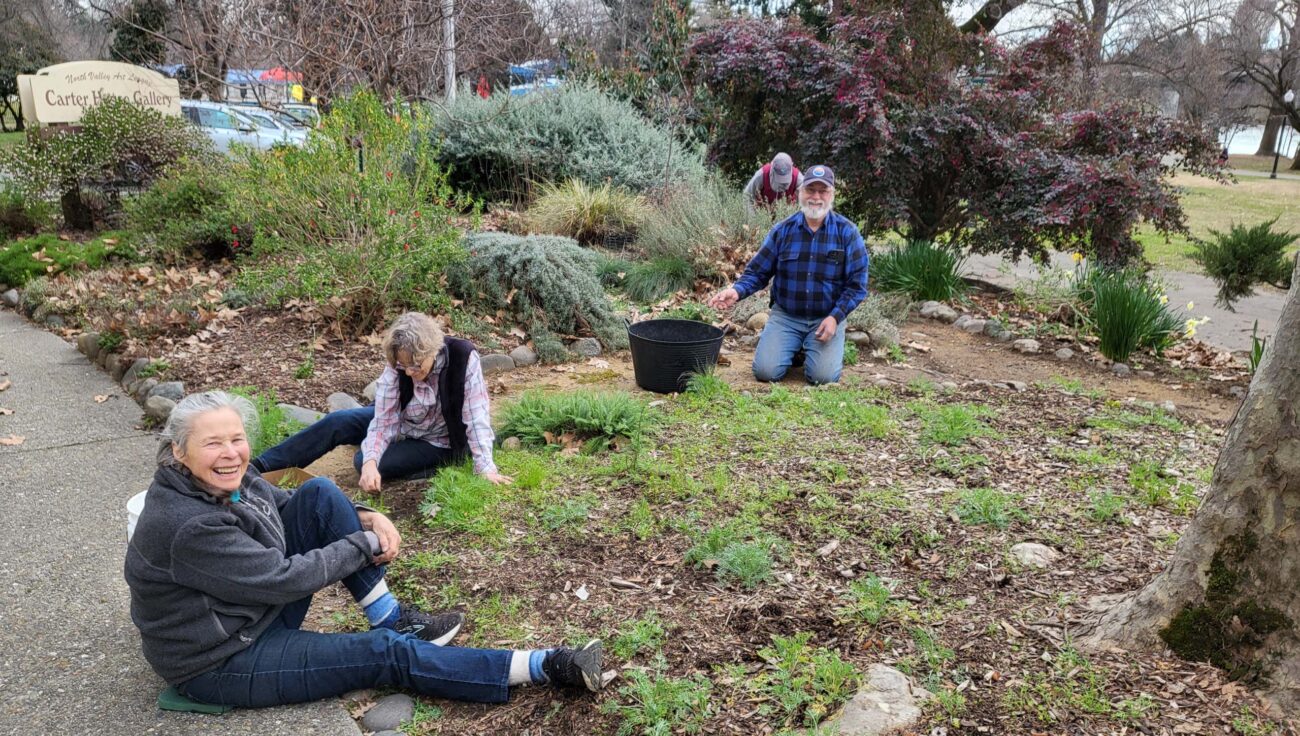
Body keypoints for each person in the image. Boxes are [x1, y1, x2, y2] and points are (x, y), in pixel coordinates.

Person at [125, 390, 605, 708]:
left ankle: (391, 614)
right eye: (213, 443)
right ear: (178, 453)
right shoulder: (187, 525)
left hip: (251, 612)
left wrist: (364, 513)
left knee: (320, 495)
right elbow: (285, 579)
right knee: (386, 655)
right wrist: (365, 541)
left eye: (237, 438)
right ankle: (547, 665)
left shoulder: (231, 476)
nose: (230, 452)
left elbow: (293, 501)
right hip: (223, 658)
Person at [253, 312, 513, 490]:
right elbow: (384, 419)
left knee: (361, 461)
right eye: (404, 367)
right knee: (338, 422)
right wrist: (370, 462)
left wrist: (485, 468)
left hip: (437, 440)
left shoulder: (463, 358)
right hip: (402, 421)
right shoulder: (399, 364)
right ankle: (260, 467)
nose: (410, 372)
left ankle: (436, 462)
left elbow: (476, 417)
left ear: (433, 349)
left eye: (416, 366)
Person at [708, 164, 868, 385]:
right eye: (811, 190)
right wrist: (736, 291)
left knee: (823, 378)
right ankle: (793, 347)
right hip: (787, 317)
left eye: (823, 191)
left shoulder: (847, 233)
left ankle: (808, 348)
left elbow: (857, 285)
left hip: (826, 317)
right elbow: (758, 271)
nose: (816, 197)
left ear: (831, 195)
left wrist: (835, 317)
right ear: (800, 193)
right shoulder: (783, 230)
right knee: (765, 372)